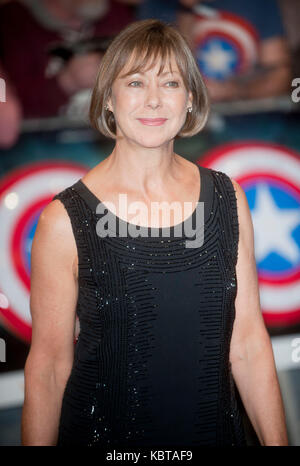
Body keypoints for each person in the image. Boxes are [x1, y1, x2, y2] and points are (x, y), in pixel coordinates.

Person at [21, 19, 288, 446]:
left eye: (169, 83)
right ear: (108, 98)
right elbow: (49, 367)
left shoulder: (227, 198)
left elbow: (249, 343)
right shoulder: (64, 220)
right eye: (135, 83)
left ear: (189, 100)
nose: (153, 101)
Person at [0, 0, 135, 148]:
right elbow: (9, 120)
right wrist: (67, 82)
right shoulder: (14, 22)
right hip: (43, 145)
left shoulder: (116, 12)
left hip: (112, 141)